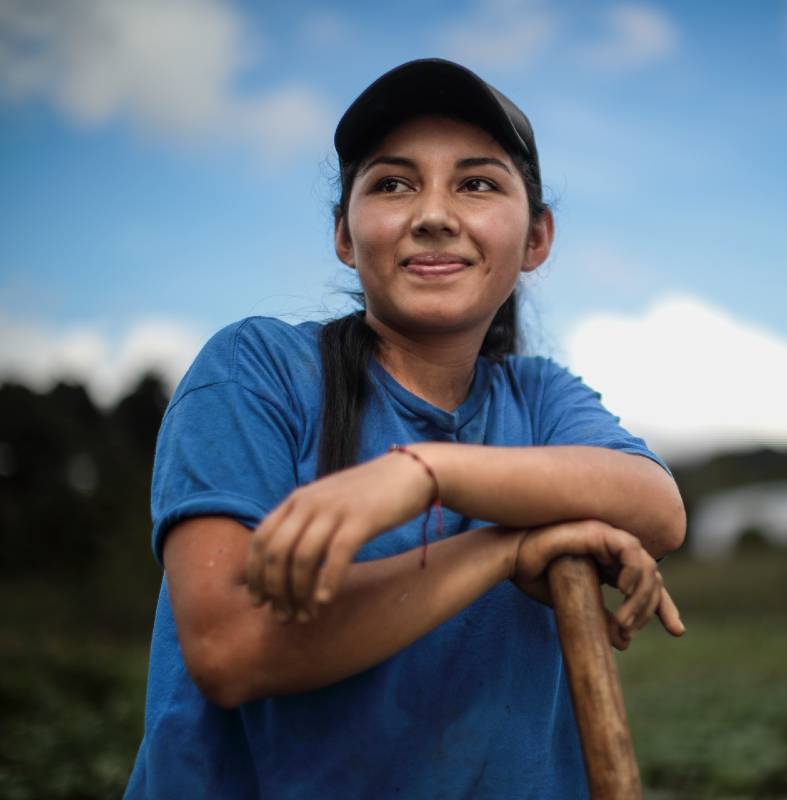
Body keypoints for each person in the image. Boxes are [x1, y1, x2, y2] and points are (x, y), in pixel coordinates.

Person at [123, 58, 686, 799]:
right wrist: (505, 546)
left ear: (538, 237)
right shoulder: (257, 370)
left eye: (478, 183)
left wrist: (424, 472)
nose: (433, 214)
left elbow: (657, 508)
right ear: (346, 237)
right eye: (392, 183)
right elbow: (232, 648)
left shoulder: (541, 400)